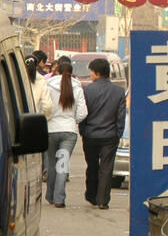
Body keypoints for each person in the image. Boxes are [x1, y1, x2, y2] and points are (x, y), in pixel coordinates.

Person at [79, 58, 126, 210]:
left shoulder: (87, 90)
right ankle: (103, 200)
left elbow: (83, 114)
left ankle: (91, 195)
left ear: (97, 73)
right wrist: (118, 133)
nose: (90, 75)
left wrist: (83, 131)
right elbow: (121, 116)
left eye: (91, 72)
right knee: (106, 169)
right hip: (110, 136)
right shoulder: (118, 92)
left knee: (92, 166)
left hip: (90, 135)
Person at [44, 56, 87, 208]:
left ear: (57, 71)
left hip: (51, 129)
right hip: (69, 131)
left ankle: (49, 195)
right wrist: (72, 121)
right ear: (71, 72)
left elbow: (45, 107)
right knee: (62, 164)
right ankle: (59, 199)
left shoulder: (48, 85)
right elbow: (83, 113)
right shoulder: (78, 87)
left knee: (51, 164)